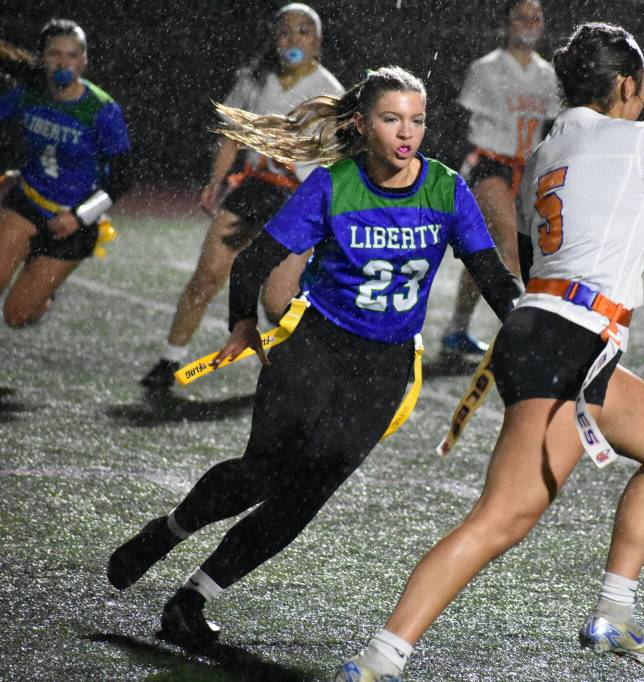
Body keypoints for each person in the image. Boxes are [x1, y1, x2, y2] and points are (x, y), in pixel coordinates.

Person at [338, 22, 644, 681]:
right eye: (643, 84)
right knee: (502, 518)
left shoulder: (548, 146)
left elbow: (600, 232)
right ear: (627, 84)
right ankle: (380, 658)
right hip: (572, 341)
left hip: (543, 327)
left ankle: (614, 612)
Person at [107, 65, 522, 650]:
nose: (407, 133)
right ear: (362, 124)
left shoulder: (447, 188)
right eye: (391, 119)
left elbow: (491, 275)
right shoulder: (332, 184)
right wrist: (242, 326)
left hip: (386, 368)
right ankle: (167, 532)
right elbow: (253, 262)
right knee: (262, 473)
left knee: (306, 495)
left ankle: (192, 600)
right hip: (317, 349)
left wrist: (530, 328)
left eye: (417, 120)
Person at [140, 2, 344, 389]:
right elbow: (231, 136)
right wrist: (216, 181)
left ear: (317, 43)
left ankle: (308, 363)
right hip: (254, 189)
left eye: (303, 31)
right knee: (207, 277)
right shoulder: (255, 79)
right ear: (274, 37)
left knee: (275, 302)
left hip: (296, 199)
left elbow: (333, 163)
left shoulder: (330, 92)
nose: (292, 39)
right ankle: (169, 360)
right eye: (285, 31)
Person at [439, 0, 560, 362]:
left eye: (535, 17)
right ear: (507, 22)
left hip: (527, 171)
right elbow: (461, 125)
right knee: (512, 250)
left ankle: (456, 331)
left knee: (484, 256)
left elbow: (548, 128)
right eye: (521, 16)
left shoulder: (547, 74)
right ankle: (526, 341)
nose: (528, 23)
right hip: (490, 166)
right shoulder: (486, 69)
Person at [0, 19, 132, 327]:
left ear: (84, 61)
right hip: (28, 200)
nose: (63, 62)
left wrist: (79, 217)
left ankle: (47, 295)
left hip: (73, 222)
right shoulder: (27, 94)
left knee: (16, 316)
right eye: (55, 54)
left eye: (72, 55)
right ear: (42, 58)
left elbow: (123, 177)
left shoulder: (102, 110)